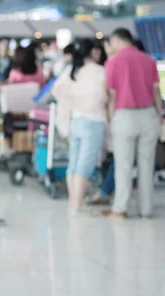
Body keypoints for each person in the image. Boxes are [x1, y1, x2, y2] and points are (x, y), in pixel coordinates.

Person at [103, 28, 162, 219]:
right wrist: (160, 114)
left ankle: (120, 208)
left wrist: (111, 119)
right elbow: (156, 92)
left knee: (124, 165)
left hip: (124, 115)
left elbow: (112, 95)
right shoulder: (149, 60)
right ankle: (146, 210)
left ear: (118, 40)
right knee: (147, 165)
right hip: (149, 115)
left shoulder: (113, 62)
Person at [52, 39, 107, 214]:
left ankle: (73, 201)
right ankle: (77, 204)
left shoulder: (72, 70)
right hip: (94, 120)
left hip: (75, 120)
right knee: (86, 163)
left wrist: (72, 100)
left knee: (74, 162)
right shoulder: (100, 71)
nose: (99, 53)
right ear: (92, 52)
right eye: (96, 50)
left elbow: (56, 91)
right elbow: (106, 96)